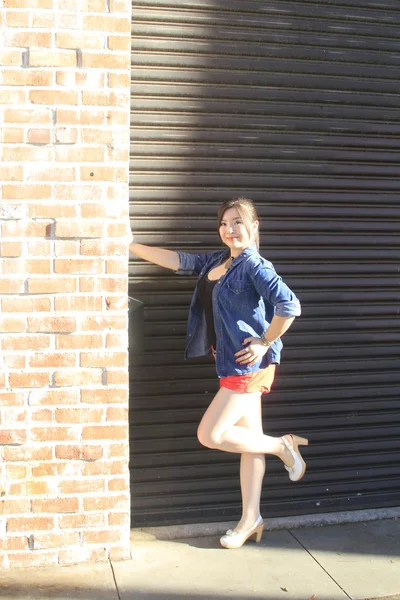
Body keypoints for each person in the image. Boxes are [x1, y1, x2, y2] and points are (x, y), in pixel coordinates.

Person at [129, 197, 308, 549]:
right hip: (230, 364)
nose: (230, 229)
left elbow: (290, 305)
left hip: (247, 366)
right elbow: (179, 261)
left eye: (238, 222)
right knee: (248, 442)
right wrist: (130, 246)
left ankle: (283, 446)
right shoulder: (218, 260)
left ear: (254, 227)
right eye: (224, 223)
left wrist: (264, 341)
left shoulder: (255, 266)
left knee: (210, 434)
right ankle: (250, 520)